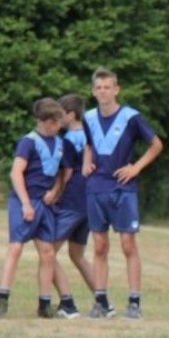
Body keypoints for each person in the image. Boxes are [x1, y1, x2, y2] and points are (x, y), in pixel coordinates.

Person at [80, 68, 163, 319]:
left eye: (108, 87)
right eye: (99, 87)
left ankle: (134, 302)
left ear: (117, 89)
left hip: (123, 188)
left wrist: (135, 167)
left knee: (128, 244)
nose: (103, 91)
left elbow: (156, 144)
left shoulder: (131, 117)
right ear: (93, 91)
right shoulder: (89, 117)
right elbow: (89, 143)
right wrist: (86, 162)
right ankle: (101, 300)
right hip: (96, 187)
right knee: (99, 245)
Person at [0, 99, 67, 320]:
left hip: (45, 203)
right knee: (15, 249)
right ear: (45, 122)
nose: (58, 127)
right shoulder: (28, 142)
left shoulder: (60, 143)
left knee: (48, 253)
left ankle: (44, 304)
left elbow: (62, 173)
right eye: (55, 123)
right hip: (25, 200)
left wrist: (55, 191)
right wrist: (25, 203)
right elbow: (16, 173)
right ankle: (2, 301)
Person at [50, 93, 97, 316]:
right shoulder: (91, 136)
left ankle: (67, 304)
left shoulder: (68, 139)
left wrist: (57, 194)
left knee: (47, 251)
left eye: (60, 115)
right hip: (89, 200)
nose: (57, 120)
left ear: (71, 114)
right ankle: (102, 300)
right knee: (77, 254)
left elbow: (67, 172)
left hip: (72, 200)